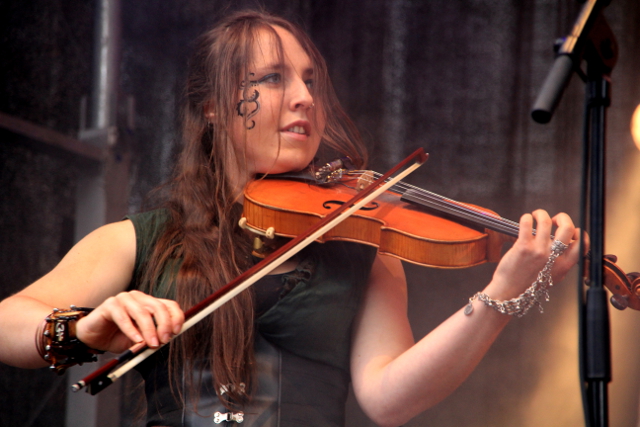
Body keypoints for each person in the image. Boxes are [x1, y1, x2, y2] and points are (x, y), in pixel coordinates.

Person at [0, 10, 586, 427]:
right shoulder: (141, 238)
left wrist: (501, 294)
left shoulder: (362, 244)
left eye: (309, 79)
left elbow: (389, 398)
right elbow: (8, 323)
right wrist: (81, 328)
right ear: (212, 106)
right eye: (273, 78)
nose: (305, 97)